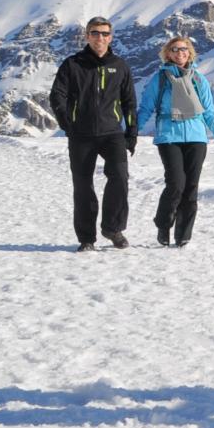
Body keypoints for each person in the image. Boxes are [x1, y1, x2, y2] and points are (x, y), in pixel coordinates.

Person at [49, 16, 138, 251]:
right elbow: (57, 95)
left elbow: (129, 101)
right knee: (83, 185)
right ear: (87, 36)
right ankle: (86, 239)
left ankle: (112, 228)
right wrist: (68, 124)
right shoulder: (73, 64)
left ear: (111, 37)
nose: (100, 37)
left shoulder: (120, 66)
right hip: (82, 135)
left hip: (112, 133)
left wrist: (132, 133)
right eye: (95, 33)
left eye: (105, 33)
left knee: (120, 177)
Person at [135, 34, 214, 247]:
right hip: (169, 136)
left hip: (196, 137)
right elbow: (146, 108)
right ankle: (163, 222)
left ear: (190, 53)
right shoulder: (159, 79)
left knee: (191, 187)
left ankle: (183, 234)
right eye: (176, 49)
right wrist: (132, 132)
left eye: (184, 49)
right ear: (168, 53)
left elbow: (208, 111)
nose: (180, 53)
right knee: (176, 183)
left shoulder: (198, 78)